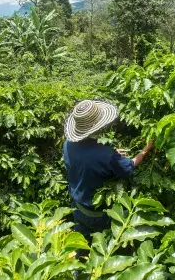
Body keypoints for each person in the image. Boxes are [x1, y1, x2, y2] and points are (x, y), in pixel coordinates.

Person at [63, 99, 155, 241]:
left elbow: (87, 160)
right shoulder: (106, 155)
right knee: (103, 245)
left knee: (81, 246)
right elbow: (130, 166)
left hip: (77, 207)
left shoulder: (68, 144)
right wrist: (145, 149)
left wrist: (111, 155)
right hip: (98, 214)